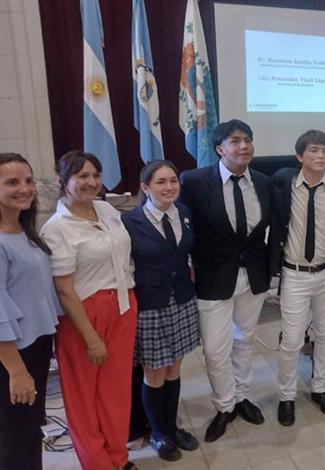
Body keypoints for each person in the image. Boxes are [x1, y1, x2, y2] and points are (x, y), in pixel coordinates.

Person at [41, 151, 139, 470]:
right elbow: (64, 290)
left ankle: (118, 458)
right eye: (81, 176)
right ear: (62, 182)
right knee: (83, 398)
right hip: (83, 316)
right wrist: (91, 338)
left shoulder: (106, 209)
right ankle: (97, 464)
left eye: (95, 175)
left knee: (116, 391)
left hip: (123, 305)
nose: (91, 182)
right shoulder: (57, 228)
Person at [179, 120, 272, 442]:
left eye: (248, 140)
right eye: (236, 141)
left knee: (244, 341)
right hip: (213, 278)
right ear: (220, 149)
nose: (244, 146)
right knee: (216, 350)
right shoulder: (193, 182)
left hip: (254, 278)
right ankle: (224, 406)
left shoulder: (263, 182)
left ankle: (241, 397)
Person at [269, 130, 325, 426]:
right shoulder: (283, 181)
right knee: (292, 340)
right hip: (294, 273)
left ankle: (320, 387)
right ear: (299, 156)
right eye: (314, 150)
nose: (321, 156)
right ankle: (286, 397)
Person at [122, 160, 201, 460]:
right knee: (153, 374)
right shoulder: (130, 222)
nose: (169, 187)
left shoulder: (183, 213)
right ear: (145, 187)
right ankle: (158, 432)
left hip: (182, 299)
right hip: (150, 305)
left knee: (174, 369)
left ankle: (172, 426)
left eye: (173, 181)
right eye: (160, 182)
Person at [0, 153, 61, 470]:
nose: (25, 188)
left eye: (29, 180)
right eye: (12, 182)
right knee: (16, 433)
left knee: (30, 428)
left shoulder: (23, 231)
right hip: (11, 353)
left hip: (35, 345)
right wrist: (17, 372)